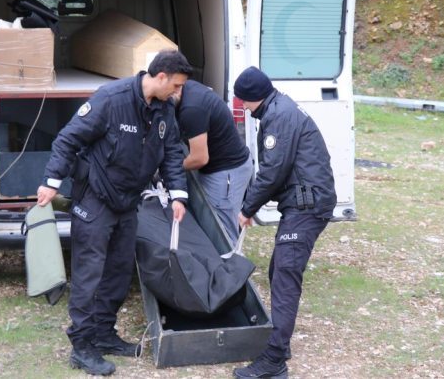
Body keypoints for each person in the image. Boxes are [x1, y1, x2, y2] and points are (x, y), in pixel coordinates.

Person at [36, 50, 193, 376]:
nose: (178, 93)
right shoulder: (112, 99)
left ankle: (104, 334)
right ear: (160, 77)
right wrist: (51, 181)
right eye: (176, 86)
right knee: (88, 275)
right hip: (95, 199)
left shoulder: (164, 110)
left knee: (120, 272)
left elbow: (172, 152)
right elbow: (68, 139)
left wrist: (178, 195)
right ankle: (81, 347)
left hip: (127, 202)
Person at [232, 67, 337, 379]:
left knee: (284, 277)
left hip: (306, 206)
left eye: (243, 102)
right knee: (279, 269)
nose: (244, 108)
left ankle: (275, 360)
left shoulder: (278, 116)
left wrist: (247, 208)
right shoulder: (280, 108)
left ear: (252, 98)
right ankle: (281, 344)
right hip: (306, 201)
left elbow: (273, 170)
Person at [171, 80, 252, 245]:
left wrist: (171, 169)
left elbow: (200, 158)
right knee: (211, 225)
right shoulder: (186, 87)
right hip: (220, 168)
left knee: (222, 233)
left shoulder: (191, 110)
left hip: (226, 173)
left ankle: (233, 268)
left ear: (175, 90)